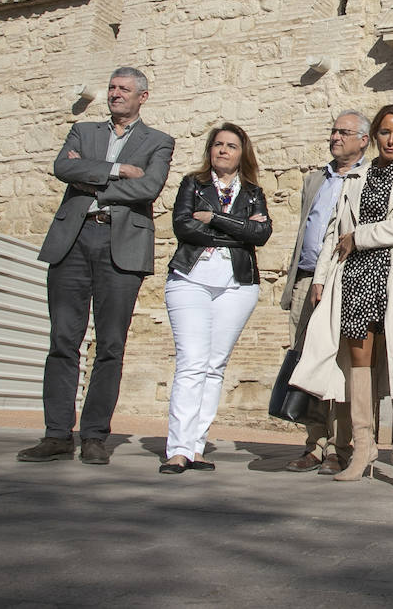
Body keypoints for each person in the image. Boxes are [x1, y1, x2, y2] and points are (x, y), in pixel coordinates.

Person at [18, 67, 175, 465]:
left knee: (110, 345)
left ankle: (93, 436)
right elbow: (63, 168)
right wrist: (117, 170)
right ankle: (56, 434)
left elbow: (149, 187)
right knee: (62, 341)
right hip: (72, 240)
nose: (115, 94)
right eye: (111, 87)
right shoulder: (82, 132)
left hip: (120, 245)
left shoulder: (159, 141)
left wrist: (89, 182)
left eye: (124, 89)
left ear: (142, 97)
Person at [291, 104, 393, 488]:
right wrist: (321, 277)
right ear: (374, 136)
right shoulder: (356, 175)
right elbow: (334, 230)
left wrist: (359, 237)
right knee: (359, 362)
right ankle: (363, 448)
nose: (391, 140)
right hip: (354, 275)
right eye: (385, 132)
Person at [158, 124, 273, 474]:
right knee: (192, 362)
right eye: (218, 144)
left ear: (242, 153)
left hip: (237, 284)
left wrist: (213, 218)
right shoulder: (193, 184)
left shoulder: (252, 192)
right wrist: (239, 230)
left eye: (231, 146)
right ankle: (178, 449)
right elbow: (184, 227)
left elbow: (262, 233)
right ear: (210, 149)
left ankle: (196, 446)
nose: (223, 150)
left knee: (214, 366)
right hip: (190, 279)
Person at [278, 111, 369, 475]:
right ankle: (314, 444)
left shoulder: (368, 177)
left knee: (342, 364)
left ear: (363, 140)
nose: (335, 137)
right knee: (305, 361)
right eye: (333, 131)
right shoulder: (315, 178)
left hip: (344, 280)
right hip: (306, 279)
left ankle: (340, 447)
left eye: (344, 132)